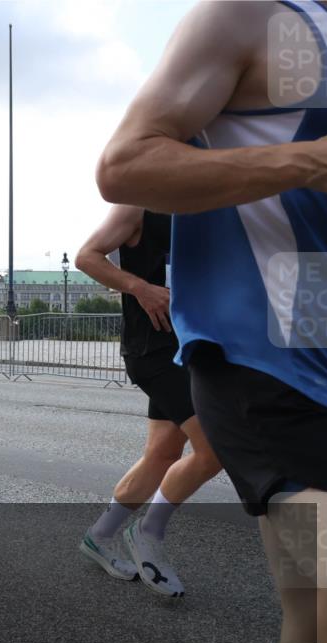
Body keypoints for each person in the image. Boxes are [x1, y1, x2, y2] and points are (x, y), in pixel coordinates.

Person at [97, 1, 327, 643]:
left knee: (316, 642)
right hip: (243, 353)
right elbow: (121, 170)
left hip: (311, 343)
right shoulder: (250, 15)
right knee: (200, 449)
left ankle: (117, 530)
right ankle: (140, 533)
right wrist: (142, 287)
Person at [76, 205, 222, 595]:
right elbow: (87, 256)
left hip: (192, 349)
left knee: (161, 454)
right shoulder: (137, 205)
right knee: (214, 448)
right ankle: (148, 532)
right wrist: (140, 287)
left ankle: (100, 535)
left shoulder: (208, 209)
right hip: (153, 351)